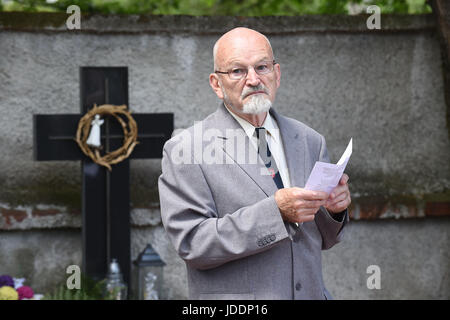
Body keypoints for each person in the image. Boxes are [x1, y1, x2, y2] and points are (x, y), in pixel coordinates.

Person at [158, 27, 351, 300]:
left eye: (262, 67)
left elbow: (323, 238)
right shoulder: (186, 149)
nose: (253, 79)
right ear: (216, 84)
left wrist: (334, 211)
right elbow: (192, 243)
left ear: (277, 74)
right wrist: (276, 212)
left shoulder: (310, 140)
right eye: (237, 71)